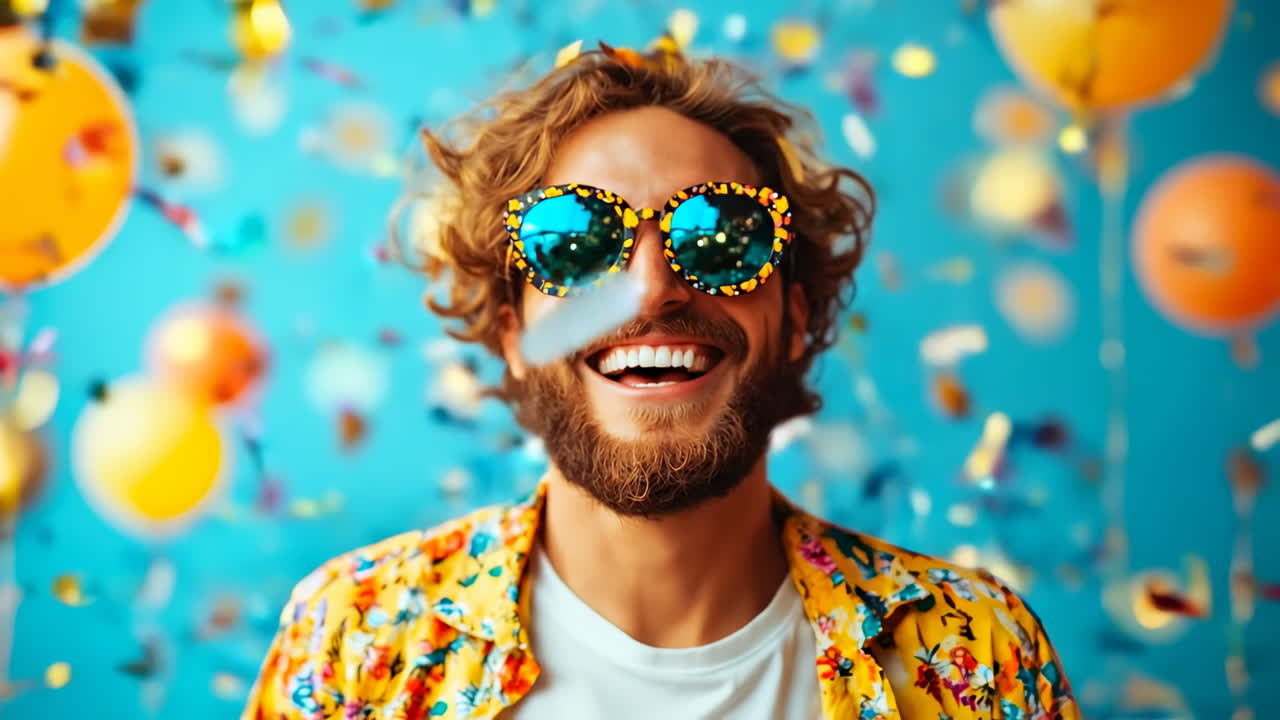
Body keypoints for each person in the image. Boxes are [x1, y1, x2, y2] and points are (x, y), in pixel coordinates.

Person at [243, 42, 1079, 720]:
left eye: (722, 237)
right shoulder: (355, 641)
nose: (650, 290)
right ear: (515, 332)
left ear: (792, 320)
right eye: (575, 242)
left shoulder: (976, 659)